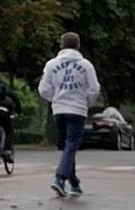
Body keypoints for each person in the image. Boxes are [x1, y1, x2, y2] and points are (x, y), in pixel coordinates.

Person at [38, 32, 100, 198]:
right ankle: (60, 179)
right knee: (71, 145)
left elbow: (43, 88)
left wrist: (55, 99)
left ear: (61, 46)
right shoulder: (86, 65)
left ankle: (74, 182)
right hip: (77, 110)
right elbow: (94, 89)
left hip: (59, 110)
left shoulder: (51, 65)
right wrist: (86, 103)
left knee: (67, 147)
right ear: (78, 45)